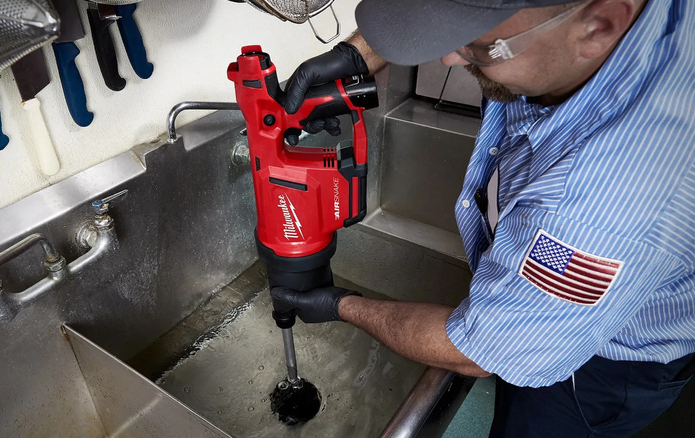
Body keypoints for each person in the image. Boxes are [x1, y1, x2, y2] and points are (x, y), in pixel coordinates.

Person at [271, 0, 695, 436]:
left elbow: (480, 350)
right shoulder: (556, 40)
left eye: (480, 44)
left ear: (598, 28)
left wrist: (342, 305)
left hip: (601, 368)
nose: (448, 57)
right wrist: (359, 55)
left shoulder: (602, 201)